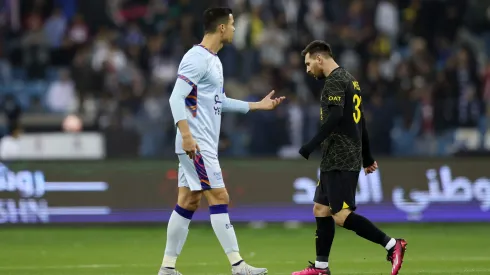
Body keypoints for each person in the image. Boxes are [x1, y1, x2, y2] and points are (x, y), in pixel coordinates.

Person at [159, 7, 285, 275]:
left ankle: (167, 268)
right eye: (233, 24)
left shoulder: (214, 60)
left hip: (198, 144)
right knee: (220, 196)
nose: (235, 29)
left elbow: (220, 101)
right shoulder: (196, 58)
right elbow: (175, 98)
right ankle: (238, 265)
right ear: (221, 28)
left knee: (188, 201)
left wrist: (256, 106)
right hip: (196, 144)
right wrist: (186, 135)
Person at [293, 40, 407, 275]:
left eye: (308, 64)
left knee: (341, 215)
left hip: (341, 157)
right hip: (335, 157)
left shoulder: (334, 81)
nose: (307, 70)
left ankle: (392, 245)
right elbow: (360, 121)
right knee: (320, 209)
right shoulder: (351, 80)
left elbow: (335, 117)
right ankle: (321, 268)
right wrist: (367, 156)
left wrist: (310, 145)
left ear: (319, 59)